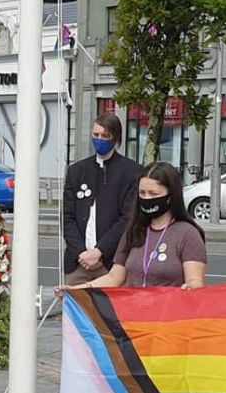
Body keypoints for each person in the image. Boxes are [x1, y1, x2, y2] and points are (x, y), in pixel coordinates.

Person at [58, 162, 207, 293]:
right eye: (142, 193)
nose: (147, 198)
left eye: (153, 193)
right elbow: (114, 278)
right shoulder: (134, 230)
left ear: (171, 195)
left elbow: (195, 281)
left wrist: (190, 287)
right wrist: (77, 290)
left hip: (167, 317)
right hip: (132, 316)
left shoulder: (188, 234)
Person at [63, 113, 142, 285]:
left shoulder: (131, 172)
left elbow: (127, 219)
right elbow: (67, 218)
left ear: (116, 138)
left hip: (111, 264)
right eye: (96, 135)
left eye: (105, 136)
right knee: (74, 309)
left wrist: (100, 251)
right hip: (77, 263)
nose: (99, 140)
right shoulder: (77, 171)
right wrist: (81, 253)